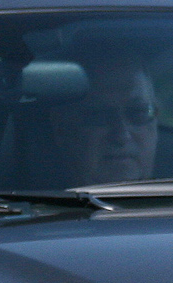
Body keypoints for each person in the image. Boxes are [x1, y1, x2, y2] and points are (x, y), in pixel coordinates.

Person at [27, 51, 160, 189]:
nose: (121, 135)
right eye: (99, 116)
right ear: (62, 128)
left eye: (139, 113)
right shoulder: (31, 206)